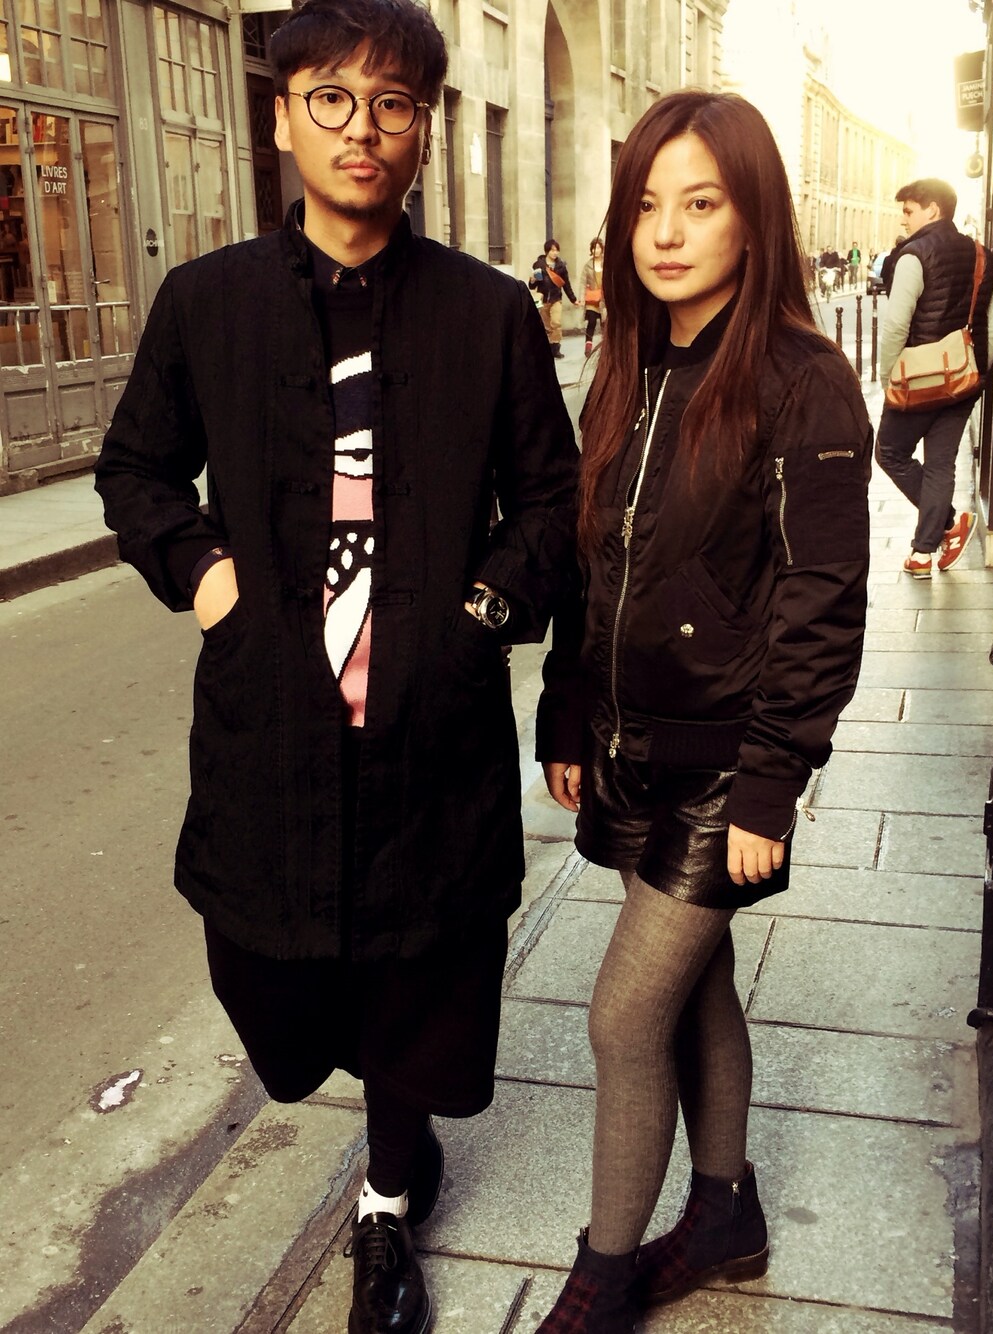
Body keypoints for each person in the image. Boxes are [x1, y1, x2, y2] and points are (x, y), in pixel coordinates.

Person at [94, 3, 579, 1332]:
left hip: (429, 727)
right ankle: (375, 1110)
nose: (363, 128)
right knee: (276, 976)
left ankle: (386, 1191)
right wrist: (211, 582)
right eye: (332, 99)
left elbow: (551, 503)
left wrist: (477, 616)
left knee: (417, 976)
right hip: (273, 722)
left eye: (393, 104)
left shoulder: (486, 313)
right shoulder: (209, 303)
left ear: (421, 127)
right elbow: (136, 469)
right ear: (282, 116)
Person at [534, 89, 871, 1332]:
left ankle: (603, 1272)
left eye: (700, 202)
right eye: (645, 206)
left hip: (729, 758)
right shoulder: (626, 368)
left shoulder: (801, 378)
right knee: (697, 981)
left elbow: (821, 601)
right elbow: (591, 563)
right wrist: (566, 708)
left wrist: (772, 784)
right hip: (631, 745)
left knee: (623, 1014)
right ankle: (725, 1212)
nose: (666, 232)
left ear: (752, 215)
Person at [876, 177, 993, 578]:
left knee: (890, 453)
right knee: (940, 464)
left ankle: (945, 525)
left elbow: (896, 325)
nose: (904, 219)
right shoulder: (984, 256)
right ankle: (924, 552)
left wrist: (888, 376)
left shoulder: (913, 255)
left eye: (909, 211)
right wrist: (975, 369)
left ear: (932, 210)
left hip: (917, 381)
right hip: (964, 379)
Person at [530, 238, 580, 357]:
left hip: (556, 298)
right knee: (546, 326)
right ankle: (547, 347)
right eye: (552, 250)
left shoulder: (561, 266)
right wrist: (532, 280)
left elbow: (566, 284)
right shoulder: (539, 265)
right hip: (543, 299)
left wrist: (573, 299)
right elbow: (532, 286)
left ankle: (555, 347)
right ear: (547, 251)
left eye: (557, 250)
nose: (555, 253)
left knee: (556, 322)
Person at [580, 236, 605, 356]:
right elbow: (582, 282)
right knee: (591, 322)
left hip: (604, 300)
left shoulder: (607, 263)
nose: (596, 251)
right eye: (594, 248)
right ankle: (588, 347)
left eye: (598, 248)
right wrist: (581, 298)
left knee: (605, 323)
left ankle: (606, 347)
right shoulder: (588, 265)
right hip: (592, 300)